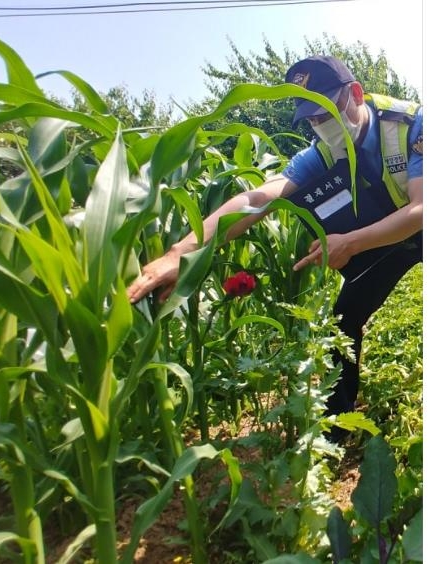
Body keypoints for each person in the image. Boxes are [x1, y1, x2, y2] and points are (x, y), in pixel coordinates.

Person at [127, 55, 423, 441]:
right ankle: (337, 430)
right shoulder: (323, 153)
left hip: (411, 222)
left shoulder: (408, 125)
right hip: (390, 237)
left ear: (354, 94)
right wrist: (182, 252)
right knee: (344, 318)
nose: (321, 128)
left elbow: (421, 209)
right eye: (312, 121)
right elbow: (260, 197)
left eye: (325, 114)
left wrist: (349, 242)